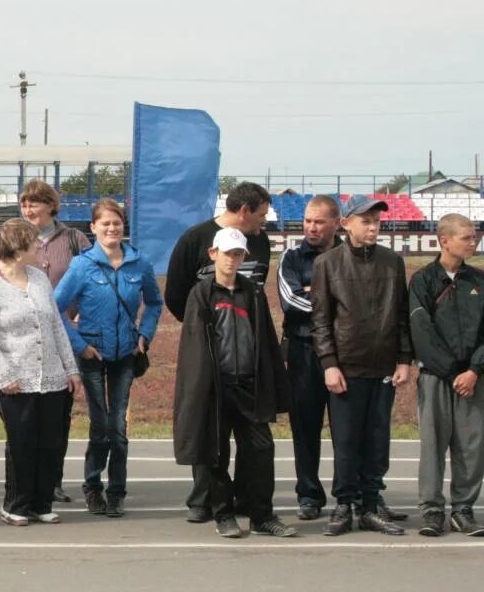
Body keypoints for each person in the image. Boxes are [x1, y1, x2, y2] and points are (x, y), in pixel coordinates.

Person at [172, 228, 296, 538]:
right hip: (215, 389)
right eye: (227, 253)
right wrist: (199, 391)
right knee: (215, 454)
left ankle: (262, 516)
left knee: (261, 449)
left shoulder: (252, 292)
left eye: (238, 254)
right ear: (214, 254)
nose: (232, 260)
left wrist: (271, 384)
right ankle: (223, 514)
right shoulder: (201, 293)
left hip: (248, 388)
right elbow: (194, 348)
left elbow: (265, 341)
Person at [164, 181, 272, 523]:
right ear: (244, 211)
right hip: (208, 344)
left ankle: (244, 499)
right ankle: (204, 499)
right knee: (208, 429)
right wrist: (203, 325)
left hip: (245, 352)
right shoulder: (195, 238)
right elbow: (176, 292)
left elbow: (256, 290)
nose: (263, 223)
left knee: (253, 441)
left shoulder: (260, 241)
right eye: (261, 215)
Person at [311, 194, 413, 537]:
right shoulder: (328, 263)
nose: (373, 227)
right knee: (347, 440)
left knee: (377, 439)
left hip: (383, 366)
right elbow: (321, 320)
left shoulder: (392, 262)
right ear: (347, 223)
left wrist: (403, 359)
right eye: (366, 221)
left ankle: (370, 505)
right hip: (347, 367)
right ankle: (344, 503)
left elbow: (401, 315)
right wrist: (329, 364)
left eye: (377, 221)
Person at [54, 198, 162, 518]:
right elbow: (56, 307)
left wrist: (145, 336)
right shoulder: (82, 265)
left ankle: (116, 490)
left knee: (118, 426)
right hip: (92, 352)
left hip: (126, 353)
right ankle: (92, 486)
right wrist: (78, 344)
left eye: (117, 223)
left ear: (123, 226)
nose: (112, 228)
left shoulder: (139, 263)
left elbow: (155, 303)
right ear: (93, 227)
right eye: (105, 223)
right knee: (100, 424)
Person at [0, 219, 81, 525]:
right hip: (14, 380)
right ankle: (16, 504)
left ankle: (41, 502)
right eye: (34, 243)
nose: (40, 248)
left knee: (50, 441)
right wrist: (4, 372)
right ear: (18, 248)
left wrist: (70, 368)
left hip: (52, 377)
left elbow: (56, 324)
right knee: (22, 442)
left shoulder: (39, 278)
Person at [408, 213, 484, 538]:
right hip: (436, 377)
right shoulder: (423, 280)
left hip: (473, 379)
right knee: (433, 445)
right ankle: (432, 511)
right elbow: (421, 332)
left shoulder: (479, 281)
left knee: (472, 445)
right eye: (467, 237)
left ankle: (463, 510)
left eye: (474, 236)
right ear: (445, 240)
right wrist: (454, 372)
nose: (474, 241)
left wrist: (474, 370)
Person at [19, 178, 91, 502]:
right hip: (26, 339)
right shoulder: (16, 238)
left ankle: (53, 479)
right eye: (24, 203)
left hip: (64, 336)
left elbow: (93, 277)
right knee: (27, 411)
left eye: (34, 202)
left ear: (51, 204)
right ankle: (26, 480)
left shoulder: (75, 239)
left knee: (57, 413)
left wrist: (81, 316)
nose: (28, 208)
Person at [276, 195, 342, 520]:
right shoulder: (290, 256)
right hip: (301, 352)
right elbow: (291, 303)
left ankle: (349, 495)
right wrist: (335, 307)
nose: (311, 227)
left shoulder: (350, 256)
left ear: (336, 223)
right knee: (305, 427)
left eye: (319, 221)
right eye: (307, 221)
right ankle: (309, 495)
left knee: (347, 429)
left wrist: (312, 295)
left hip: (345, 354)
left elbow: (356, 301)